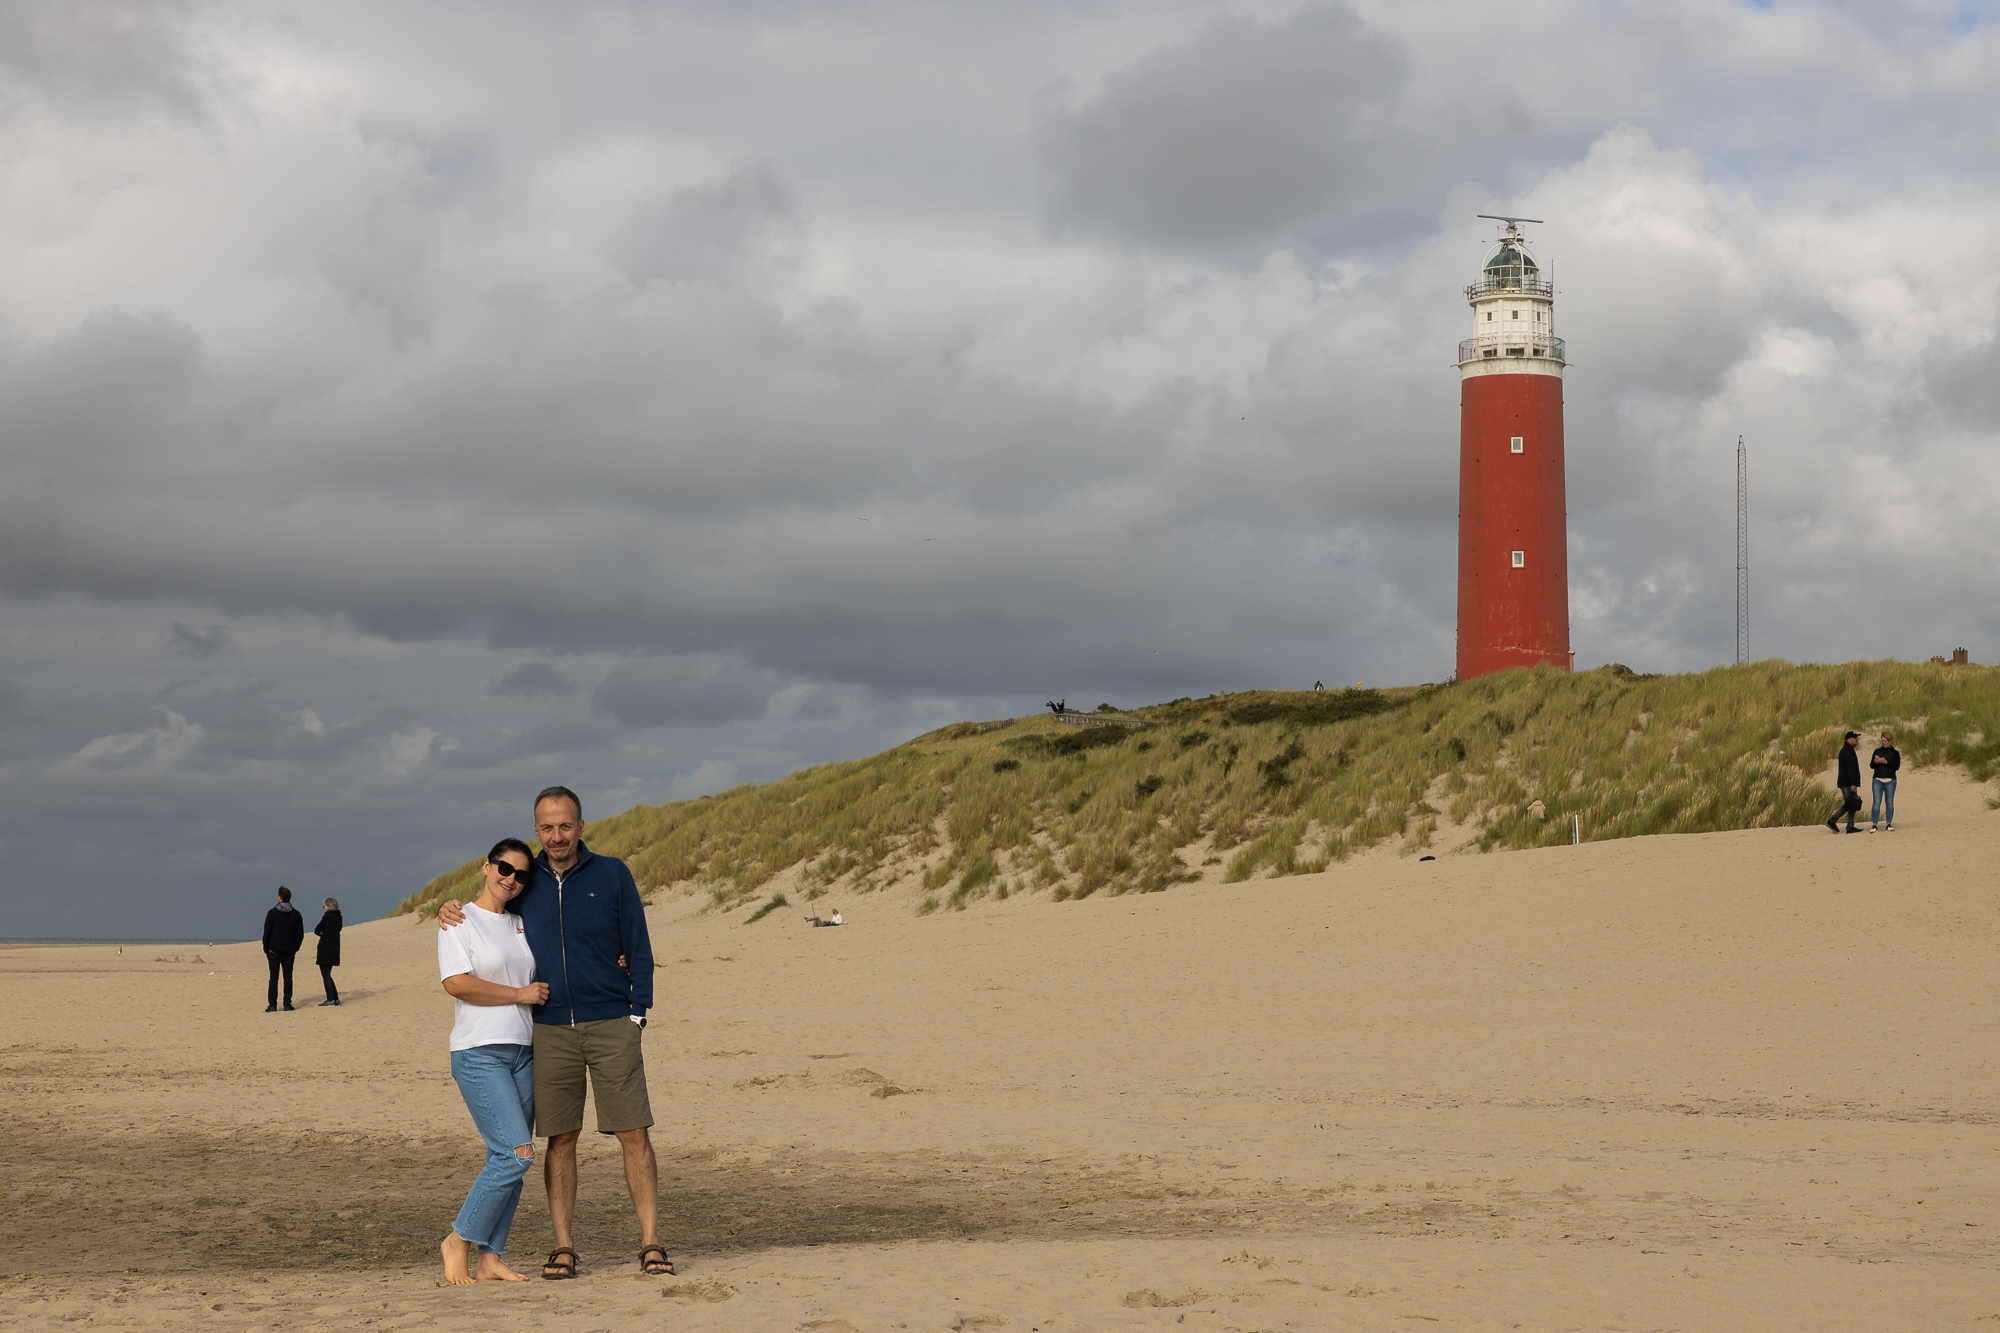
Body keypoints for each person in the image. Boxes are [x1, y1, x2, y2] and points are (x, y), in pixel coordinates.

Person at [438, 786, 666, 1280]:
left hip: (610, 1021)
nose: (557, 835)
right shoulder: (525, 882)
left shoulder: (612, 874)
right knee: (560, 1139)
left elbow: (638, 944)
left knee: (634, 1133)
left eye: (566, 825)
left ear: (581, 826)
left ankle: (651, 1242)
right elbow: (484, 918)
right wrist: (447, 908)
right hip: (547, 1030)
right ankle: (563, 1247)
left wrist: (638, 1011)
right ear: (535, 829)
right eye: (547, 827)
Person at [438, 838, 550, 1285]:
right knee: (517, 1154)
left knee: (506, 1158)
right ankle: (458, 1240)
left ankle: (491, 1257)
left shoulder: (523, 924)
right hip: (479, 1053)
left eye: (522, 875)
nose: (511, 879)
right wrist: (519, 995)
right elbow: (457, 984)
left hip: (524, 1052)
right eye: (504, 868)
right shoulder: (458, 919)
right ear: (486, 866)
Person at [261, 886, 306, 1012]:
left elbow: (266, 933)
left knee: (274, 978)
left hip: (276, 950)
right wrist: (295, 947)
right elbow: (300, 934)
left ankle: (273, 1004)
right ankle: (286, 1004)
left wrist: (266, 947)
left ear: (279, 897)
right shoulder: (296, 914)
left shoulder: (273, 913)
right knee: (287, 977)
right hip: (286, 951)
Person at [1826, 731, 1863, 834]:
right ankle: (1832, 821)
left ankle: (1850, 826)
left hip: (1846, 782)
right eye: (1854, 738)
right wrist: (1853, 783)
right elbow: (1850, 768)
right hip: (1847, 783)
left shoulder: (1848, 750)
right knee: (1849, 804)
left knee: (1852, 804)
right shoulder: (1847, 751)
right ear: (1848, 740)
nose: (1857, 739)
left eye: (1857, 737)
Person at [313, 898, 343, 1007]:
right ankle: (335, 998)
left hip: (326, 948)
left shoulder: (327, 917)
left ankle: (331, 999)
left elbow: (317, 930)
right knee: (327, 974)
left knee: (325, 974)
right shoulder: (338, 917)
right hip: (334, 948)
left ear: (328, 907)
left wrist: (324, 933)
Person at [1870, 730, 1901, 831]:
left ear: (1890, 741)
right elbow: (1871, 765)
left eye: (1886, 741)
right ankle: (1874, 824)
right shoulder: (1877, 751)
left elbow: (1896, 766)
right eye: (1882, 740)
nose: (1884, 742)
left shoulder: (1895, 753)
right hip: (1877, 779)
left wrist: (1886, 762)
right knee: (1876, 802)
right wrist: (1876, 762)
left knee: (1889, 802)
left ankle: (1888, 823)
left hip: (1890, 779)